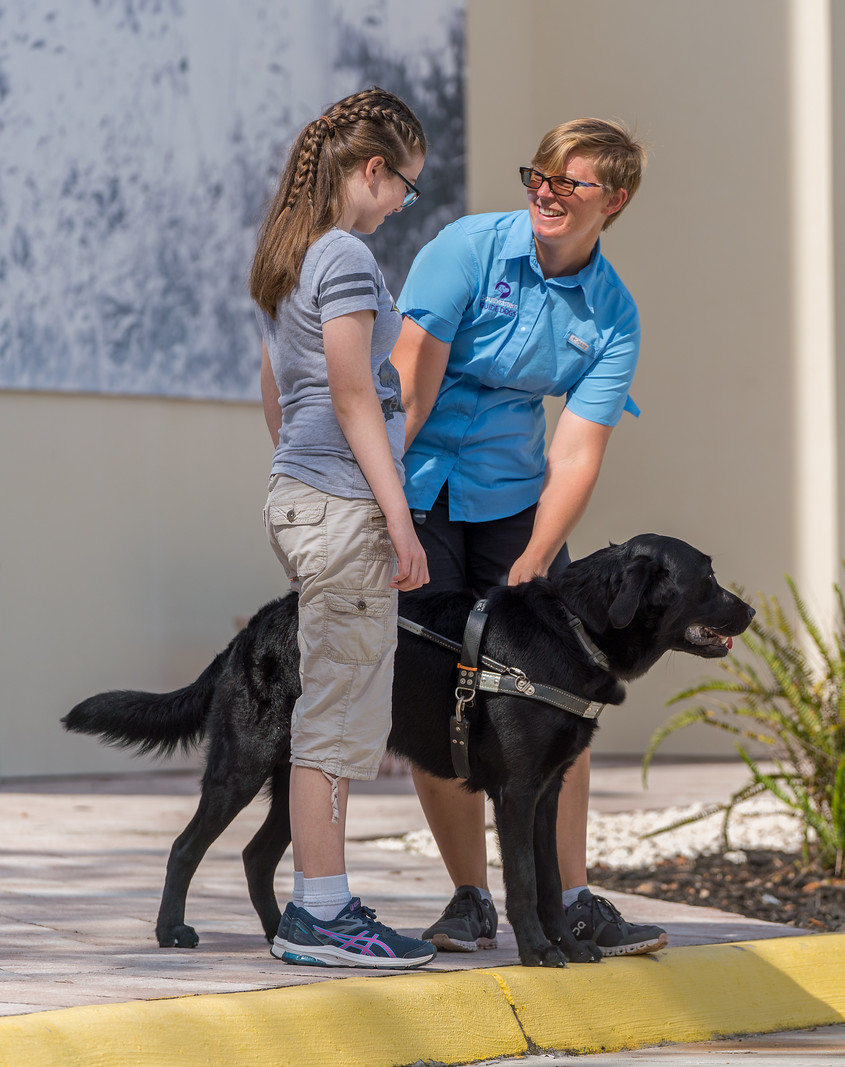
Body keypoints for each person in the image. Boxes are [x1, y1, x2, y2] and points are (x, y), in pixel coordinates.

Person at [392, 118, 668, 958]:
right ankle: (471, 897)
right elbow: (407, 388)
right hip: (419, 486)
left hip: (514, 494)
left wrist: (540, 550)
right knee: (437, 693)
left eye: (569, 183)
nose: (545, 192)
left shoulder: (612, 313)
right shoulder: (464, 250)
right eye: (538, 175)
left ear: (611, 201)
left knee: (562, 686)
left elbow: (577, 446)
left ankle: (570, 896)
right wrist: (383, 508)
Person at [252, 88, 435, 969]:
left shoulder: (286, 254)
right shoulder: (349, 258)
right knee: (339, 711)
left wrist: (302, 479)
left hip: (297, 496)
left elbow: (276, 396)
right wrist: (396, 518)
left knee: (331, 697)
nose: (404, 202)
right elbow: (356, 392)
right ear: (371, 171)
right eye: (405, 184)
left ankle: (324, 901)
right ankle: (318, 913)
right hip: (344, 506)